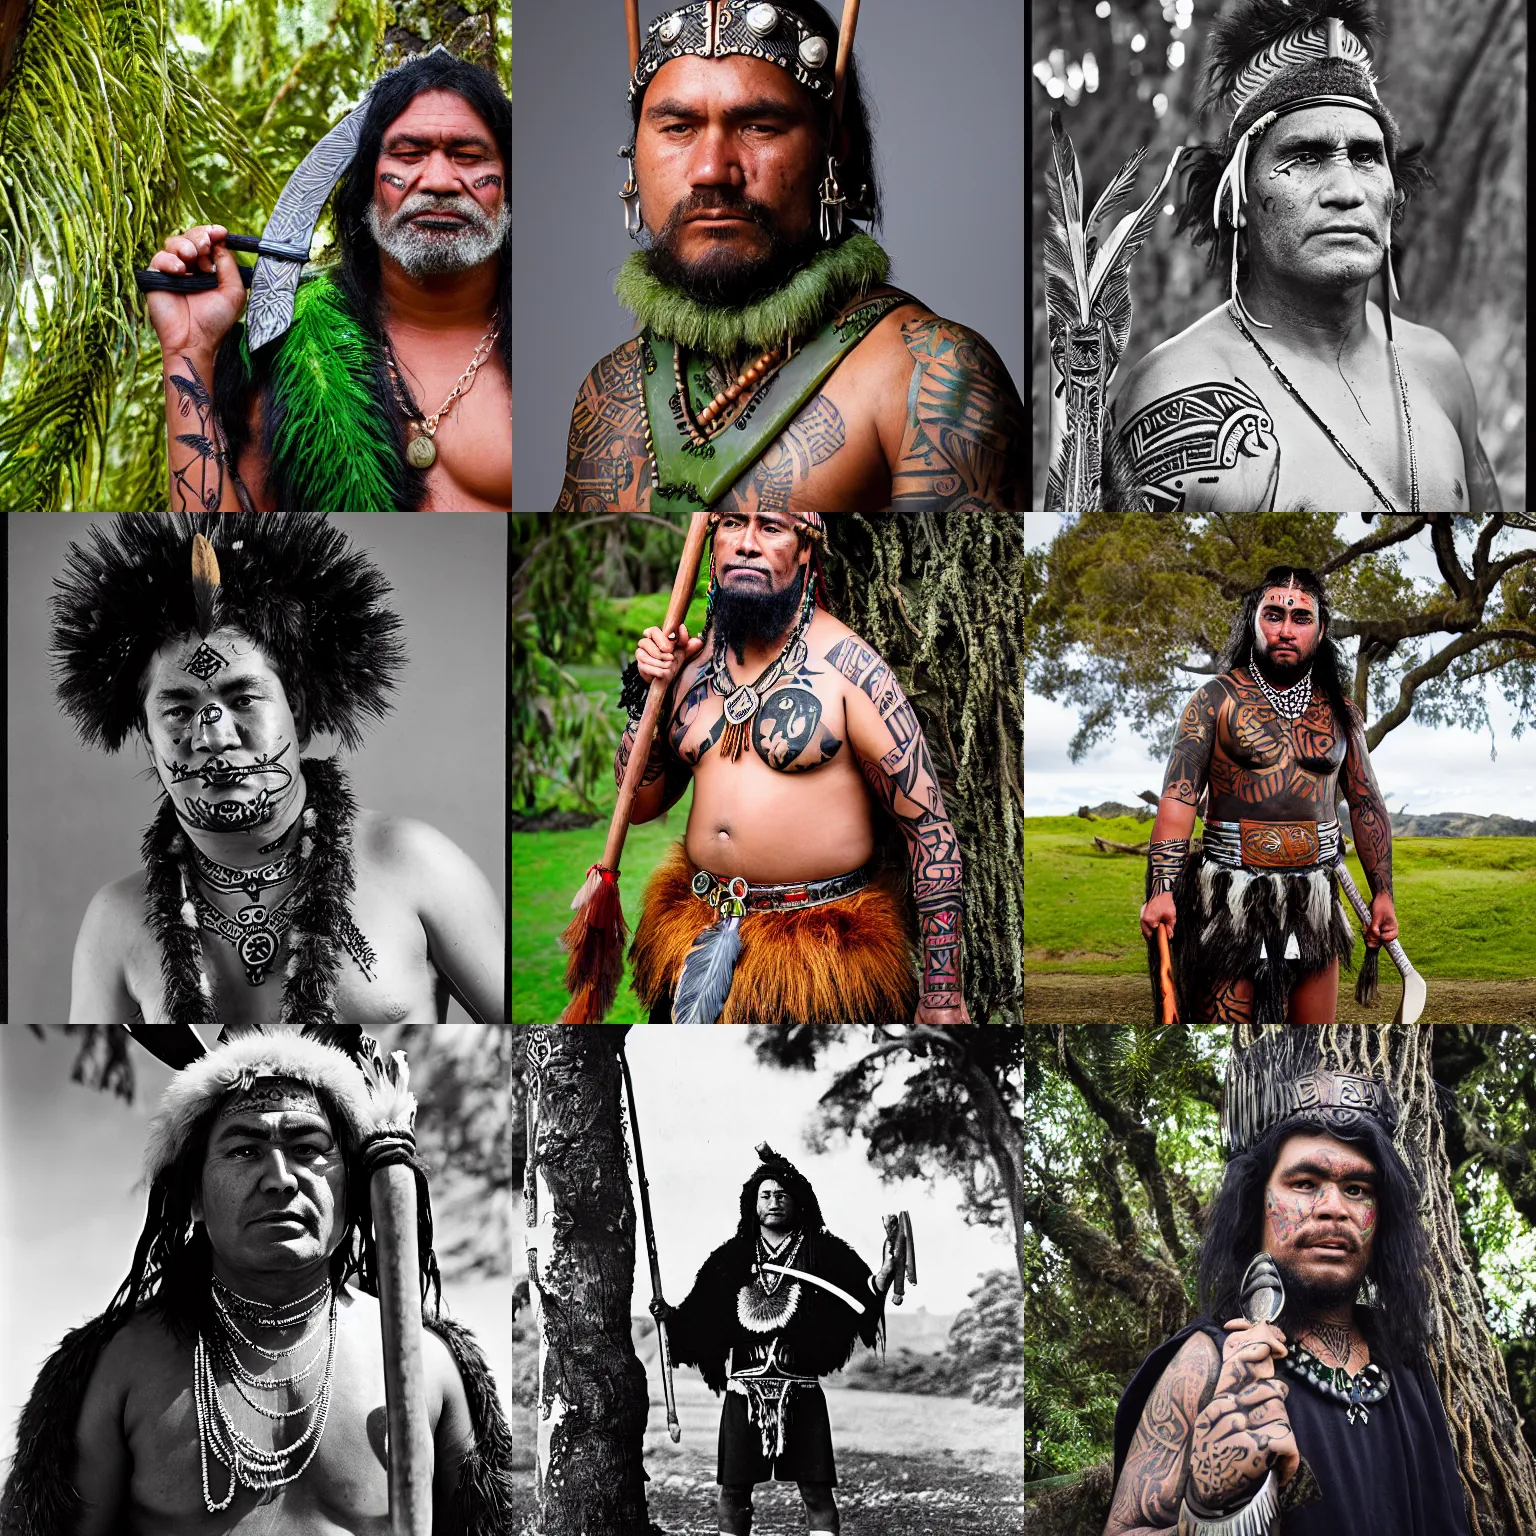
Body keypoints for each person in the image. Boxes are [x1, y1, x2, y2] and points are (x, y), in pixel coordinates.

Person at [0, 1027, 515, 1535]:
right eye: (245, 1150)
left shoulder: (428, 1367)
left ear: (351, 1187)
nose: (280, 1177)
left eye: (308, 1148)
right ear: (195, 1198)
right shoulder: (120, 1368)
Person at [556, 0, 1025, 514]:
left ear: (834, 151)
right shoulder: (609, 392)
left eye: (759, 126)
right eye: (677, 128)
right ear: (634, 156)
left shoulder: (927, 376)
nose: (712, 169)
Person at [53, 511, 505, 1024]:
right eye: (178, 711)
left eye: (244, 698)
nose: (213, 736)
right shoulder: (116, 923)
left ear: (302, 716)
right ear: (148, 740)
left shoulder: (414, 864)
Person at [1109, 0, 1501, 514]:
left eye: (1366, 156)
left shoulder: (1438, 367)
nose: (1346, 190)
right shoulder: (1178, 393)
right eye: (1306, 157)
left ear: (1393, 190)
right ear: (1240, 198)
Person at [1104, 1031, 1469, 1536]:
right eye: (1304, 1183)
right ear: (1255, 1202)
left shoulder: (1405, 1357)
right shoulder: (1206, 1361)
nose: (1334, 1207)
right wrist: (1211, 1509)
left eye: (1357, 1188)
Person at [621, 509, 968, 1024]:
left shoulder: (851, 670)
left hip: (820, 965)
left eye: (771, 527)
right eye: (733, 524)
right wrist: (647, 693)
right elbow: (640, 804)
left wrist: (942, 996)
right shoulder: (691, 665)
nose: (747, 544)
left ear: (805, 548)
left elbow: (930, 833)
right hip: (696, 941)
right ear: (712, 542)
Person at [144, 47, 510, 512]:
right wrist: (188, 350)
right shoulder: (282, 348)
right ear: (367, 186)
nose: (438, 179)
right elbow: (221, 551)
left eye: (468, 156)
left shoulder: (550, 344)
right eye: (408, 154)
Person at [1138, 566, 1396, 1024]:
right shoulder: (1213, 700)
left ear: (1319, 631)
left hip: (1315, 897)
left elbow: (1365, 803)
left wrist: (1383, 894)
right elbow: (1178, 802)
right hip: (1227, 897)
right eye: (1273, 615)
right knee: (1222, 1029)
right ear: (1253, 620)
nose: (1285, 629)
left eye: (1300, 619)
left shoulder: (1341, 713)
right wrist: (1162, 890)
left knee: (1312, 1040)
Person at [653, 1144, 900, 1536]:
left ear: (797, 1202)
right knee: (733, 1491)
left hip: (801, 1392)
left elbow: (861, 1297)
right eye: (765, 1195)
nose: (773, 1202)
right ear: (752, 1203)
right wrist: (670, 1317)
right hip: (743, 1393)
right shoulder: (731, 1257)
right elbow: (697, 1315)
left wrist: (885, 1275)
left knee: (817, 1493)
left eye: (782, 1195)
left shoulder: (823, 1251)